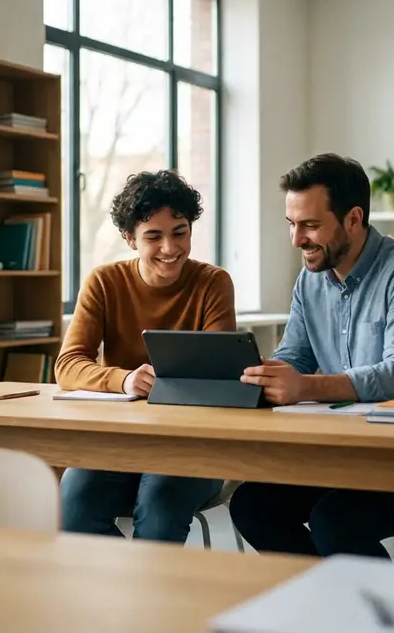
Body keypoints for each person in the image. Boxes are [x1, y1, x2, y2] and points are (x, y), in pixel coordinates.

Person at [229, 152, 394, 558]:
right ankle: (326, 606)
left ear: (354, 219)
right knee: (252, 506)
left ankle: (380, 619)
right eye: (292, 225)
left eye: (310, 225)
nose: (297, 240)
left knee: (335, 521)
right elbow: (293, 358)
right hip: (353, 454)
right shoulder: (309, 283)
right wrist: (258, 375)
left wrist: (303, 387)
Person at [54, 169, 236, 544]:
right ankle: (127, 591)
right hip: (119, 443)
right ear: (130, 239)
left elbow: (220, 374)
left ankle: (149, 596)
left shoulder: (213, 283)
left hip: (192, 445)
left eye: (180, 232)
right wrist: (122, 380)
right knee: (72, 509)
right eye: (154, 236)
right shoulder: (104, 282)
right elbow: (68, 365)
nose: (170, 248)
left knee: (158, 514)